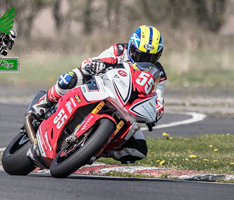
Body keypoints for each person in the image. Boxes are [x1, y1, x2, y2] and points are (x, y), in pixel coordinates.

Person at [31, 25, 167, 163]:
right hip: (102, 89)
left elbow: (158, 100)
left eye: (151, 57)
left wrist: (155, 113)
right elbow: (92, 62)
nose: (144, 61)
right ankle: (43, 103)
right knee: (70, 78)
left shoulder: (158, 74)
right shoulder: (119, 50)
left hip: (127, 111)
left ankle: (97, 148)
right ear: (131, 47)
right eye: (141, 55)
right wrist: (96, 65)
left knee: (139, 149)